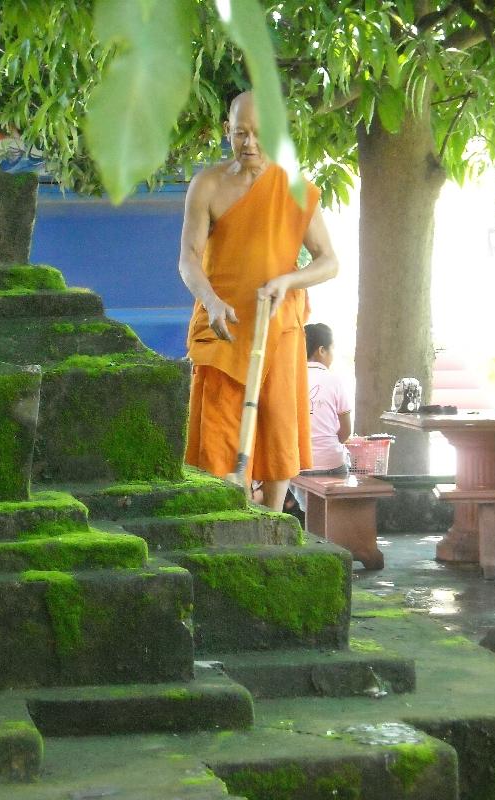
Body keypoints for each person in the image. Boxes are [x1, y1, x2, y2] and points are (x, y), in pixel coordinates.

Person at [178, 91, 338, 511]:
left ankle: (272, 522)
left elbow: (329, 261)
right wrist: (210, 300)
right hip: (224, 327)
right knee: (219, 441)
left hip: (278, 325)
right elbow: (188, 260)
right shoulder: (207, 185)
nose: (249, 143)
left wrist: (289, 279)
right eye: (241, 133)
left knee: (278, 429)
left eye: (259, 134)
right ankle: (225, 519)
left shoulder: (296, 189)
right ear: (227, 131)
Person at [291, 322, 352, 509]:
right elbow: (346, 431)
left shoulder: (290, 378)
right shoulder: (333, 380)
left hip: (297, 465)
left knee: (310, 508)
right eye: (332, 349)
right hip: (331, 463)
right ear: (321, 350)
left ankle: (309, 518)